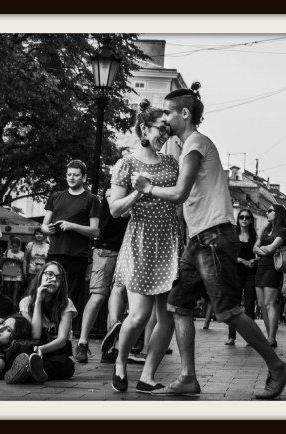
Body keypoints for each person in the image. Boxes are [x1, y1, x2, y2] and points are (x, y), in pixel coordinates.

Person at [131, 82, 286, 399]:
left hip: (214, 237)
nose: (165, 119)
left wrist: (147, 188)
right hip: (198, 240)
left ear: (184, 113)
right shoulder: (187, 146)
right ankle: (187, 377)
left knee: (228, 311)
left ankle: (277, 367)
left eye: (168, 113)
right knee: (178, 305)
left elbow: (180, 193)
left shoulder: (195, 144)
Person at [107, 99, 180, 393]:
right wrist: (138, 193)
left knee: (167, 316)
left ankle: (147, 376)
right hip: (140, 241)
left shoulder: (171, 162)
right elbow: (115, 210)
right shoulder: (125, 164)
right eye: (161, 128)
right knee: (139, 315)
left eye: (168, 129)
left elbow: (180, 201)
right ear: (144, 128)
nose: (165, 134)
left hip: (169, 241)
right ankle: (120, 363)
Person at [41, 160, 100, 334]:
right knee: (49, 293)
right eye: (69, 174)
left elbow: (95, 231)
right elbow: (43, 226)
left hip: (77, 256)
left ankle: (64, 334)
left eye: (76, 175)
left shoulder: (91, 199)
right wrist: (48, 229)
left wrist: (73, 226)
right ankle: (46, 331)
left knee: (69, 297)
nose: (72, 178)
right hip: (54, 254)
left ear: (84, 177)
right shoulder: (56, 196)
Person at [74, 186, 129, 364]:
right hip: (106, 248)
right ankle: (82, 343)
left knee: (119, 297)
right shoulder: (113, 189)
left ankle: (109, 348)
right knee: (98, 296)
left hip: (127, 250)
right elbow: (120, 213)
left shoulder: (135, 190)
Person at [9, 261, 78, 384]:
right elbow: (35, 335)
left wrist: (41, 349)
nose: (54, 279)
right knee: (22, 352)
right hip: (33, 346)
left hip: (54, 350)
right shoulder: (26, 302)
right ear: (41, 276)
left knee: (68, 367)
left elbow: (62, 340)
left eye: (59, 277)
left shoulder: (66, 303)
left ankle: (25, 372)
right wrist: (38, 302)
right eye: (50, 274)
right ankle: (27, 370)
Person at [253, 204, 286, 348]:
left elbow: (270, 248)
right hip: (261, 267)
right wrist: (264, 250)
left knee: (270, 303)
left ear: (278, 213)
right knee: (262, 304)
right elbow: (254, 248)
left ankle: (271, 337)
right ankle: (269, 336)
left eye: (270, 211)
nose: (266, 212)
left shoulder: (283, 231)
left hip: (273, 268)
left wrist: (263, 249)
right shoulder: (266, 230)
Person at [23, 227, 50, 293]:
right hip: (31, 273)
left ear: (44, 235)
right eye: (37, 233)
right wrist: (24, 271)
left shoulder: (48, 246)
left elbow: (49, 260)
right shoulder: (30, 245)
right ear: (34, 235)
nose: (39, 235)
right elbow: (25, 259)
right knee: (31, 291)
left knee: (41, 291)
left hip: (43, 272)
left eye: (41, 234)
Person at [0, 236, 25, 303]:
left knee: (15, 295)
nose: (14, 248)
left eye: (16, 247)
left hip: (17, 276)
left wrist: (19, 261)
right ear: (11, 245)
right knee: (7, 294)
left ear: (19, 246)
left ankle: (14, 307)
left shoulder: (22, 254)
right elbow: (2, 262)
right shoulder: (7, 252)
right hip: (8, 274)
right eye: (13, 246)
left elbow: (23, 265)